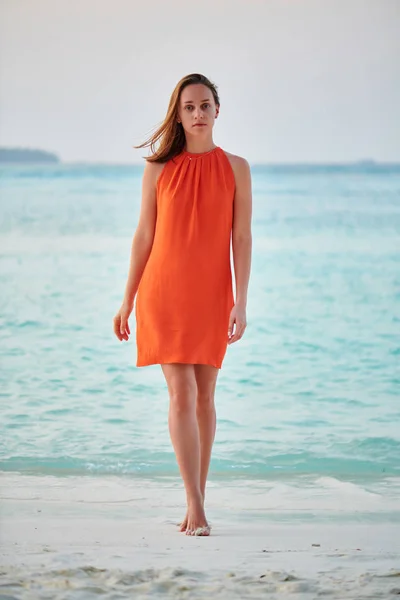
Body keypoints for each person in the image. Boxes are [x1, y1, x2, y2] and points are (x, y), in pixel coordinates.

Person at [113, 73, 252, 537]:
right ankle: (195, 504)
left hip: (213, 294)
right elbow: (144, 236)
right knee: (182, 394)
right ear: (178, 112)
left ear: (217, 111)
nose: (197, 114)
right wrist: (126, 299)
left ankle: (198, 500)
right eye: (189, 107)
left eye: (205, 106)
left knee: (206, 399)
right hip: (164, 291)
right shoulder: (157, 169)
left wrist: (242, 302)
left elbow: (241, 237)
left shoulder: (236, 167)